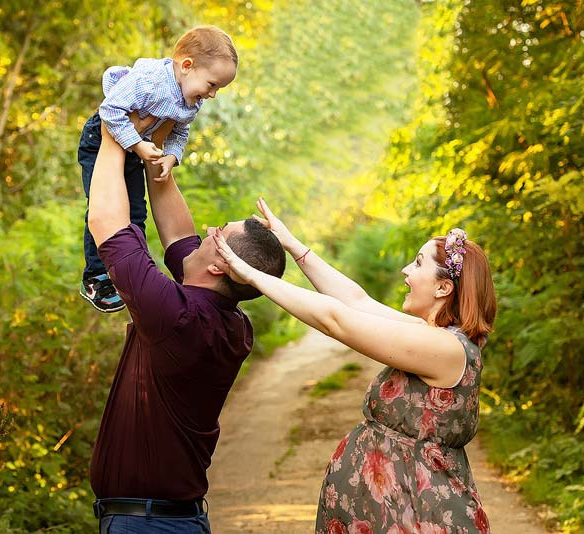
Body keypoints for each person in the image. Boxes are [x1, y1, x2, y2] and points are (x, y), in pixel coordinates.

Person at [213, 199, 497, 534]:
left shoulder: (445, 348)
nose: (406, 270)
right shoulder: (432, 335)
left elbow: (336, 320)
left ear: (443, 287)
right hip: (399, 513)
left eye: (418, 263)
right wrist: (292, 244)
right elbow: (355, 301)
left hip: (418, 516)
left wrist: (251, 274)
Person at [85, 115, 285, 533]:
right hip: (166, 519)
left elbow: (106, 223)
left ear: (219, 266)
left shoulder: (178, 318)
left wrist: (113, 129)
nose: (208, 230)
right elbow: (178, 235)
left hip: (147, 525)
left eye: (219, 234)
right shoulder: (226, 320)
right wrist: (155, 149)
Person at [79, 25, 239, 312]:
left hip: (136, 146)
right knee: (103, 207)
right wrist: (138, 145)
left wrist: (171, 157)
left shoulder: (191, 100)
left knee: (134, 213)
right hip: (102, 139)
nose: (213, 94)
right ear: (187, 66)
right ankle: (96, 277)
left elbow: (180, 132)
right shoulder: (149, 82)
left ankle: (129, 268)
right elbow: (110, 110)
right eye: (212, 85)